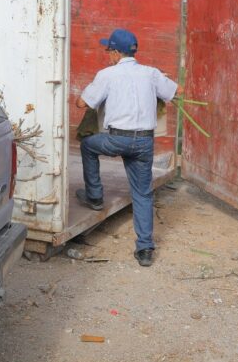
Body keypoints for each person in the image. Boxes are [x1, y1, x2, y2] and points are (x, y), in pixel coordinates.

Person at [76, 28, 179, 267]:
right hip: (144, 142)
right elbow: (177, 92)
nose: (107, 55)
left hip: (116, 140)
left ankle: (94, 196)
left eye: (108, 50)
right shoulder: (151, 74)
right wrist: (161, 81)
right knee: (142, 193)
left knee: (88, 146)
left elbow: (82, 103)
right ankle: (144, 250)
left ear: (115, 52)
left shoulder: (107, 74)